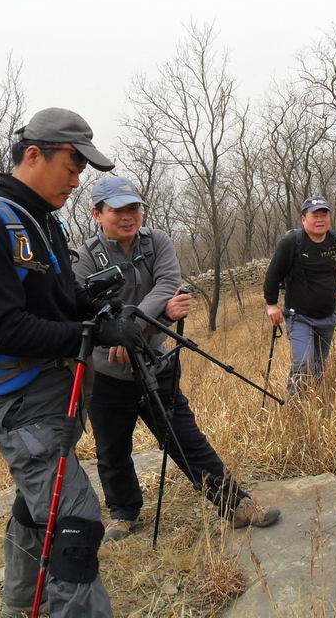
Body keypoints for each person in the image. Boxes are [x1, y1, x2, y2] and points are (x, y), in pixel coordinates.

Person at [0, 107, 124, 617]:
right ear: (34, 155)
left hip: (49, 395)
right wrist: (87, 336)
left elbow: (60, 296)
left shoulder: (42, 221)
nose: (77, 181)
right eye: (72, 168)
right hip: (17, 402)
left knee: (34, 508)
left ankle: (21, 606)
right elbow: (6, 330)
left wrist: (103, 313)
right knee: (77, 521)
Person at [73, 176, 281, 542]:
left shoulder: (157, 243)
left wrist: (130, 325)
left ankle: (234, 504)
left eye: (134, 208)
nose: (128, 216)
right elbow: (86, 311)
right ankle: (123, 512)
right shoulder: (86, 257)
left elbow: (168, 284)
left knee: (184, 436)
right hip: (106, 370)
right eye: (117, 209)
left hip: (155, 362)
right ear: (97, 213)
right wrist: (147, 319)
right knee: (111, 445)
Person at [263, 197, 336, 397]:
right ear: (303, 219)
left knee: (319, 364)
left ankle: (313, 402)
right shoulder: (292, 242)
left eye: (324, 214)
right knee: (303, 363)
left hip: (327, 315)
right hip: (299, 316)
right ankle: (295, 408)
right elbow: (273, 273)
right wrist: (271, 304)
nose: (320, 219)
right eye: (314, 215)